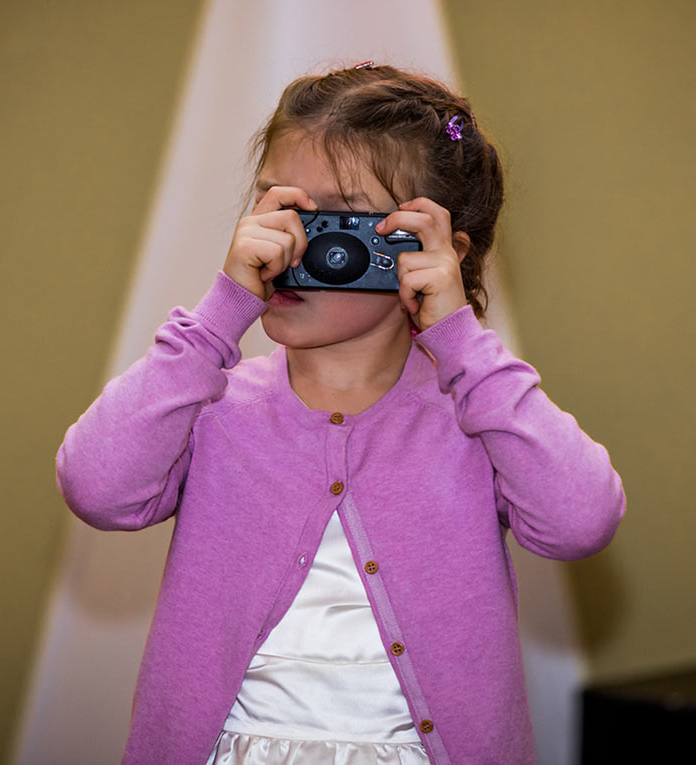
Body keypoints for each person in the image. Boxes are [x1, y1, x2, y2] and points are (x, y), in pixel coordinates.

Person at [56, 64, 626, 765]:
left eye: (338, 218)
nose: (298, 244)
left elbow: (580, 517)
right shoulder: (209, 402)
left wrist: (461, 343)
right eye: (278, 207)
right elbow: (98, 486)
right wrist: (219, 315)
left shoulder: (477, 415)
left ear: (438, 251)